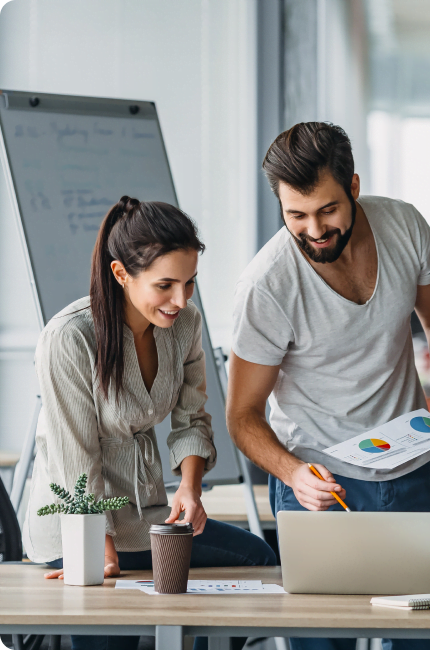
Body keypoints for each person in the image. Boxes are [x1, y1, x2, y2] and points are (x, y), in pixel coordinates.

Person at [226, 122, 430, 650]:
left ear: (354, 187)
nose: (314, 229)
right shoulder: (266, 285)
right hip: (318, 485)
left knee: (424, 642)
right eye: (296, 215)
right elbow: (242, 416)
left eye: (327, 210)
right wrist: (294, 473)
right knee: (322, 643)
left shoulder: (402, 224)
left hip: (409, 470)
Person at [23, 196, 276, 650]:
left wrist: (190, 489)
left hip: (146, 514)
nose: (180, 300)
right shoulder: (70, 337)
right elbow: (74, 457)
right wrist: (96, 546)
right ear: (121, 274)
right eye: (165, 285)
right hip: (77, 521)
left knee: (256, 557)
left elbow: (191, 419)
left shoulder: (185, 323)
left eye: (190, 283)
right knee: (111, 626)